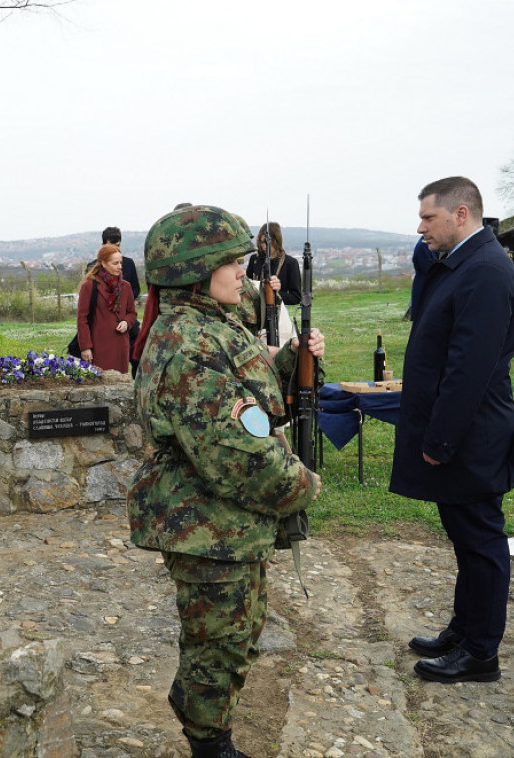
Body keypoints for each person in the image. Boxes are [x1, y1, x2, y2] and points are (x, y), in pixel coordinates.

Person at [129, 204, 323, 758]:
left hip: (220, 524)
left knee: (232, 635)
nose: (246, 273)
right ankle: (209, 744)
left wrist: (290, 362)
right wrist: (303, 484)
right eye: (234, 262)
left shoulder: (208, 326)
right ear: (197, 269)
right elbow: (238, 450)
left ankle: (206, 725)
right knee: (219, 642)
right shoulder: (191, 342)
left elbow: (250, 405)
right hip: (206, 525)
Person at [390, 178, 514, 685]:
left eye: (428, 219)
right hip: (460, 432)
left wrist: (441, 440)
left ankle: (480, 653)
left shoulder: (487, 272)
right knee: (465, 540)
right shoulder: (461, 262)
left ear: (461, 214)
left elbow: (469, 369)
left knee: (481, 543)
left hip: (472, 434)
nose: (420, 228)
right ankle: (464, 629)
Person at [88, 226, 142, 375]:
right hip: (102, 321)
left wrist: (123, 299)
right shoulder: (93, 268)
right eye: (111, 245)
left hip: (125, 317)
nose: (119, 266)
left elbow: (135, 289)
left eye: (117, 246)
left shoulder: (128, 263)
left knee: (139, 353)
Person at [77, 243, 137, 373]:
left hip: (121, 346)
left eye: (120, 263)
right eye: (115, 263)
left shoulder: (125, 286)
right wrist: (85, 347)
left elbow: (132, 313)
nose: (120, 267)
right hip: (99, 346)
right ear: (103, 263)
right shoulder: (89, 286)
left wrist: (126, 322)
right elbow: (82, 319)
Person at [244, 221, 301, 306]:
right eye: (261, 242)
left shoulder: (290, 263)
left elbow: (296, 297)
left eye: (267, 242)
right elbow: (246, 286)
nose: (264, 246)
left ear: (276, 240)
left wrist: (274, 294)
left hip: (278, 312)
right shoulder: (254, 259)